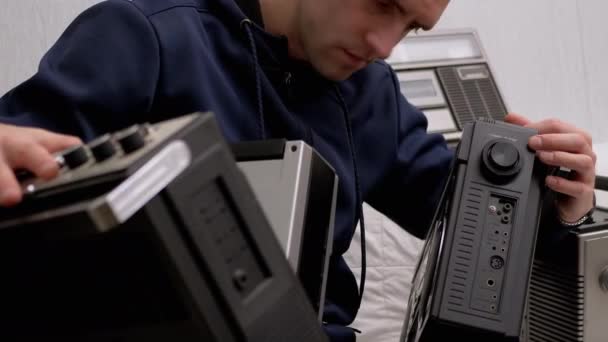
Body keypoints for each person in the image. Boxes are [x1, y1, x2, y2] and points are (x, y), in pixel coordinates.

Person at [0, 0, 596, 340]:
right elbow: (19, 180)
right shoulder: (147, 36)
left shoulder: (372, 95)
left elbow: (464, 210)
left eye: (412, 25)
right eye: (383, 2)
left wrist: (561, 205)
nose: (386, 44)